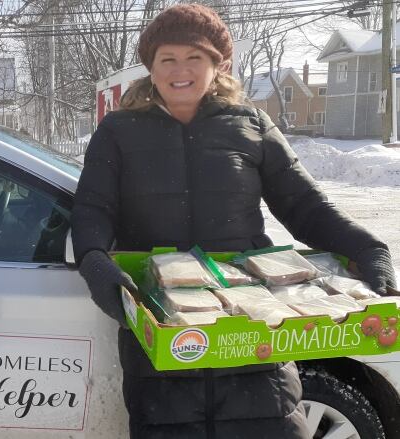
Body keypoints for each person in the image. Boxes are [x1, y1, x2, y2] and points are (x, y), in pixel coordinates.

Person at [71, 4, 396, 439]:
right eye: (168, 58)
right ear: (151, 66)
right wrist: (95, 262)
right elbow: (92, 209)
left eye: (194, 58)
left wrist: (368, 249)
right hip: (164, 337)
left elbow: (306, 207)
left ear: (217, 64)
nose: (180, 70)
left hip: (253, 330)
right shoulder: (118, 131)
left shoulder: (251, 126)